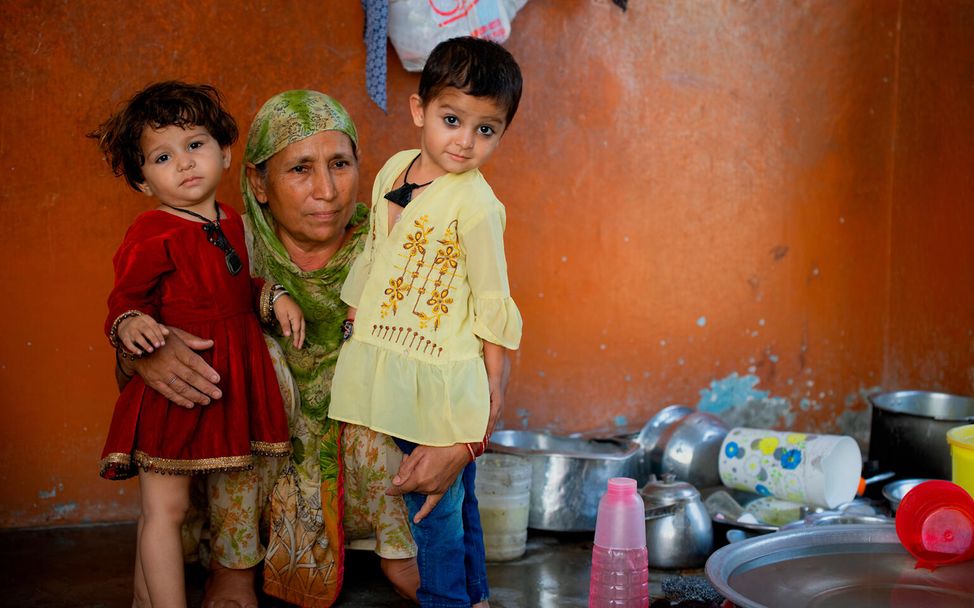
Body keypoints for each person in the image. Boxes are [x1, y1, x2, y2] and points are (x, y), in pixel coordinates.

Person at [117, 89, 477, 608]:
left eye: (340, 164)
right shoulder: (230, 245)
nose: (326, 191)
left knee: (385, 365)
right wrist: (142, 350)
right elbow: (131, 349)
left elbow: (462, 344)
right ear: (259, 183)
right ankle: (233, 561)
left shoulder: (395, 244)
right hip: (252, 465)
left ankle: (399, 551)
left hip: (366, 472)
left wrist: (464, 444)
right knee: (250, 359)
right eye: (300, 170)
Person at [92, 81, 303, 608]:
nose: (184, 163)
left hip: (225, 383)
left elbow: (233, 288)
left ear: (225, 152)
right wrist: (131, 323)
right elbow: (123, 301)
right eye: (163, 156)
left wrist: (272, 298)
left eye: (195, 144)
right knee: (166, 510)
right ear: (143, 180)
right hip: (175, 391)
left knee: (179, 511)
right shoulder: (152, 231)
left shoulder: (230, 220)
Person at [329, 37, 524, 608]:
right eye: (451, 119)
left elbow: (492, 298)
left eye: (485, 129)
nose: (465, 141)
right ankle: (477, 597)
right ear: (420, 112)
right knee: (456, 499)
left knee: (432, 503)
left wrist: (494, 384)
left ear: (501, 133)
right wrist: (353, 321)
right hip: (389, 356)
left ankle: (447, 600)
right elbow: (375, 250)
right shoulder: (394, 169)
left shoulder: (478, 206)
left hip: (443, 373)